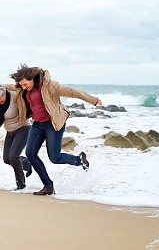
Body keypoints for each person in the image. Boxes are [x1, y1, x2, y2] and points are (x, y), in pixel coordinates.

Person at [10, 64, 101, 195]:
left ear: (32, 78)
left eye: (25, 84)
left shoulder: (50, 86)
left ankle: (80, 160)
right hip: (37, 124)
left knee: (55, 158)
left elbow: (73, 92)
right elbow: (10, 87)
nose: (24, 88)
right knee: (30, 153)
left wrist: (94, 100)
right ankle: (48, 186)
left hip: (52, 124)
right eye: (22, 85)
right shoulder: (23, 88)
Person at [0, 83, 32, 190]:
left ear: (5, 93)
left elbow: (28, 102)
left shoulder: (16, 97)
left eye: (0, 98)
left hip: (23, 129)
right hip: (10, 133)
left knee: (13, 157)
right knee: (7, 159)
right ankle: (28, 164)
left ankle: (21, 184)